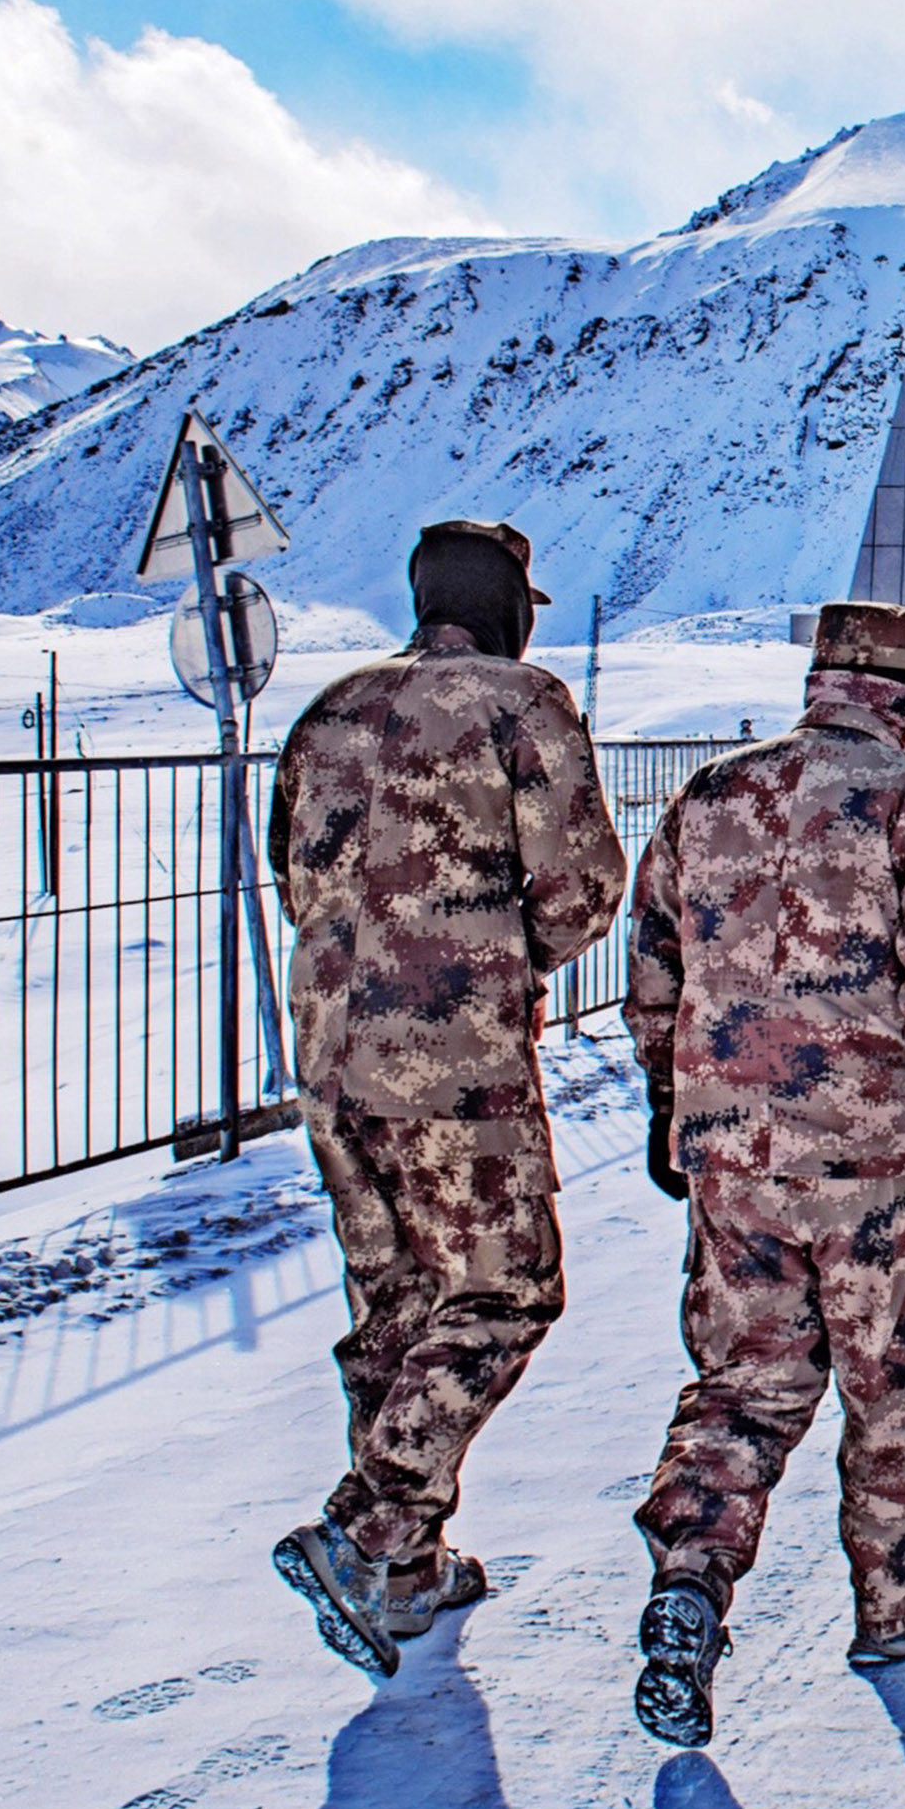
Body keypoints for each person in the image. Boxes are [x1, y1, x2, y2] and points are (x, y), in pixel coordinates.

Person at [619, 600, 905, 1747]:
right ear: (902, 696)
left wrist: (669, 1100)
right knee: (894, 1384)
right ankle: (896, 1607)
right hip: (881, 1163)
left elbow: (653, 969)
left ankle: (689, 1582)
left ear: (817, 684)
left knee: (745, 1384)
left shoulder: (707, 798)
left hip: (734, 1158)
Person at [268, 519, 629, 1679]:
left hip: (329, 1053)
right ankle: (368, 1524)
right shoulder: (523, 704)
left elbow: (295, 876)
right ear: (509, 603)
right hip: (456, 1060)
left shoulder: (328, 709)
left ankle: (409, 1567)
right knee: (506, 1290)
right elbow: (582, 889)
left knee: (395, 1302)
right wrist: (491, 957)